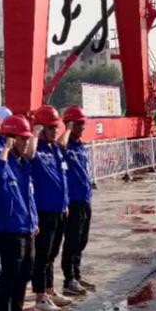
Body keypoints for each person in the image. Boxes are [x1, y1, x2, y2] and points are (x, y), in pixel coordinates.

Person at [0, 114, 43, 311]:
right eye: (23, 139)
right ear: (11, 139)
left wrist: (34, 220)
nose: (27, 143)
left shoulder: (22, 164)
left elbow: (28, 195)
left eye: (28, 139)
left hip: (27, 226)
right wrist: (5, 149)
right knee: (9, 276)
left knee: (25, 272)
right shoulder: (1, 160)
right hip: (10, 228)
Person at [29, 105, 71, 311]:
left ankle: (49, 289)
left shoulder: (54, 148)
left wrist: (65, 205)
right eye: (50, 127)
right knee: (42, 255)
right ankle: (40, 297)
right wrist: (35, 132)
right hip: (44, 210)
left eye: (56, 127)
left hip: (59, 209)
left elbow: (61, 176)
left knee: (52, 253)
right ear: (41, 128)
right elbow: (29, 155)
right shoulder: (36, 148)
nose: (55, 131)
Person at [60, 105, 96, 298]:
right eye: (79, 124)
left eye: (83, 123)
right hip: (72, 200)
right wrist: (67, 129)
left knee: (82, 239)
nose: (83, 127)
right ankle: (69, 279)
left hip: (84, 198)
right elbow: (60, 147)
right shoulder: (66, 145)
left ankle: (77, 274)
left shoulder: (80, 146)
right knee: (72, 240)